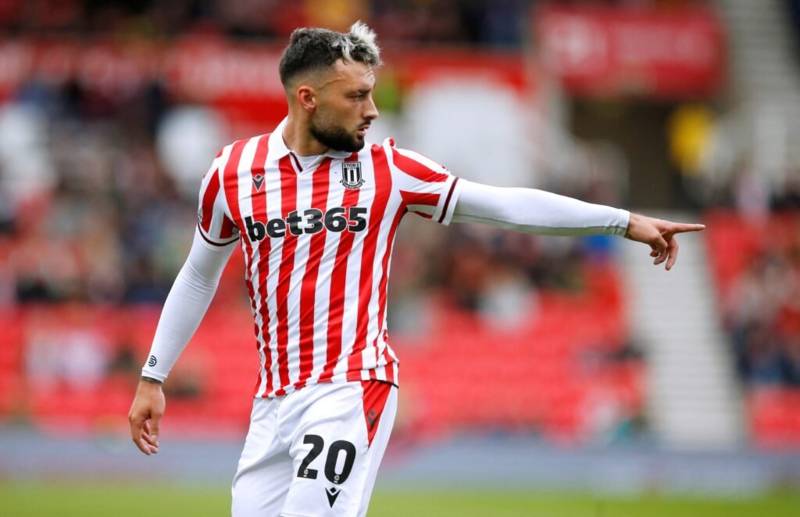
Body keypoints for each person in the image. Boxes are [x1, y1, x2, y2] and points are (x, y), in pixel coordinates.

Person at [128, 22, 705, 517]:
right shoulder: (232, 172)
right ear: (307, 98)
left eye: (372, 94)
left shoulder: (387, 171)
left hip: (350, 389)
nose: (372, 110)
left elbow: (502, 204)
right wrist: (154, 375)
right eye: (356, 96)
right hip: (272, 402)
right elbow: (199, 274)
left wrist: (621, 221)